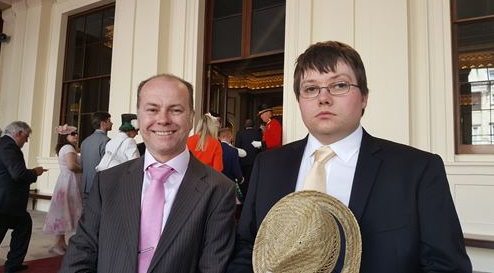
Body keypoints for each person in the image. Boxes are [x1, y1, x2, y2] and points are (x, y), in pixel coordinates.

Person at [226, 41, 472, 273]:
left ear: (364, 96)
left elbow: (446, 266)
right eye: (311, 89)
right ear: (299, 101)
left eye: (339, 85)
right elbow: (249, 248)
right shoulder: (268, 165)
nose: (323, 98)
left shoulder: (418, 170)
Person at [60, 74, 236, 273]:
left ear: (191, 118)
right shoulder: (107, 182)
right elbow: (80, 256)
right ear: (139, 116)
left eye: (176, 110)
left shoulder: (219, 189)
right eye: (152, 109)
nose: (163, 120)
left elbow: (212, 268)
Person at [0, 121, 46, 273]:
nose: (26, 141)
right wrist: (36, 172)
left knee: (23, 225)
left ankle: (14, 264)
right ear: (18, 134)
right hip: (5, 202)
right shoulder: (9, 146)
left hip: (4, 201)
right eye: (26, 137)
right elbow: (18, 174)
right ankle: (13, 265)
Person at [43, 124, 83, 255]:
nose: (76, 135)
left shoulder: (65, 148)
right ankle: (57, 244)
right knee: (65, 211)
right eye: (73, 134)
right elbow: (72, 166)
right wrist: (85, 170)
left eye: (76, 133)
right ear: (65, 136)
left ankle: (60, 242)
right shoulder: (68, 148)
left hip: (66, 181)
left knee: (64, 211)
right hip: (69, 182)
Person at [80, 111, 112, 200]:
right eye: (109, 120)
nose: (111, 123)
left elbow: (81, 165)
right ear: (103, 123)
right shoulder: (107, 141)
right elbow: (106, 166)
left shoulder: (85, 141)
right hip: (99, 186)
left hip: (85, 185)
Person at [234, 119, 262, 198]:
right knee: (253, 181)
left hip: (243, 162)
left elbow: (237, 148)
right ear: (253, 125)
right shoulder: (258, 133)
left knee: (243, 182)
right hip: (255, 162)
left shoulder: (240, 133)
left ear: (245, 125)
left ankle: (244, 197)